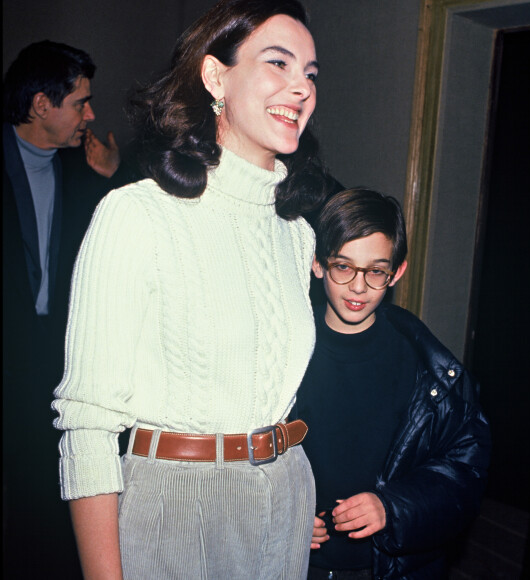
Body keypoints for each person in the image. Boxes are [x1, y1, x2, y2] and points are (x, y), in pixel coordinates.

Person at [51, 1, 331, 578]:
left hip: (285, 495)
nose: (300, 87)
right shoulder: (137, 215)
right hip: (175, 505)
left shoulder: (297, 234)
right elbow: (88, 422)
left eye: (310, 72)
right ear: (214, 77)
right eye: (278, 62)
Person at [291, 188, 492, 579]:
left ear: (396, 272)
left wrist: (392, 507)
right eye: (343, 266)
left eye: (375, 271)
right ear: (317, 264)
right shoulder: (279, 353)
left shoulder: (432, 372)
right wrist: (282, 515)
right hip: (292, 565)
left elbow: (464, 475)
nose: (358, 286)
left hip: (385, 568)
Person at [2, 40, 136, 578]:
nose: (91, 114)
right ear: (40, 105)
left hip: (54, 363)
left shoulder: (86, 170)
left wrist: (114, 179)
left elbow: (126, 249)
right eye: (81, 102)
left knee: (48, 494)